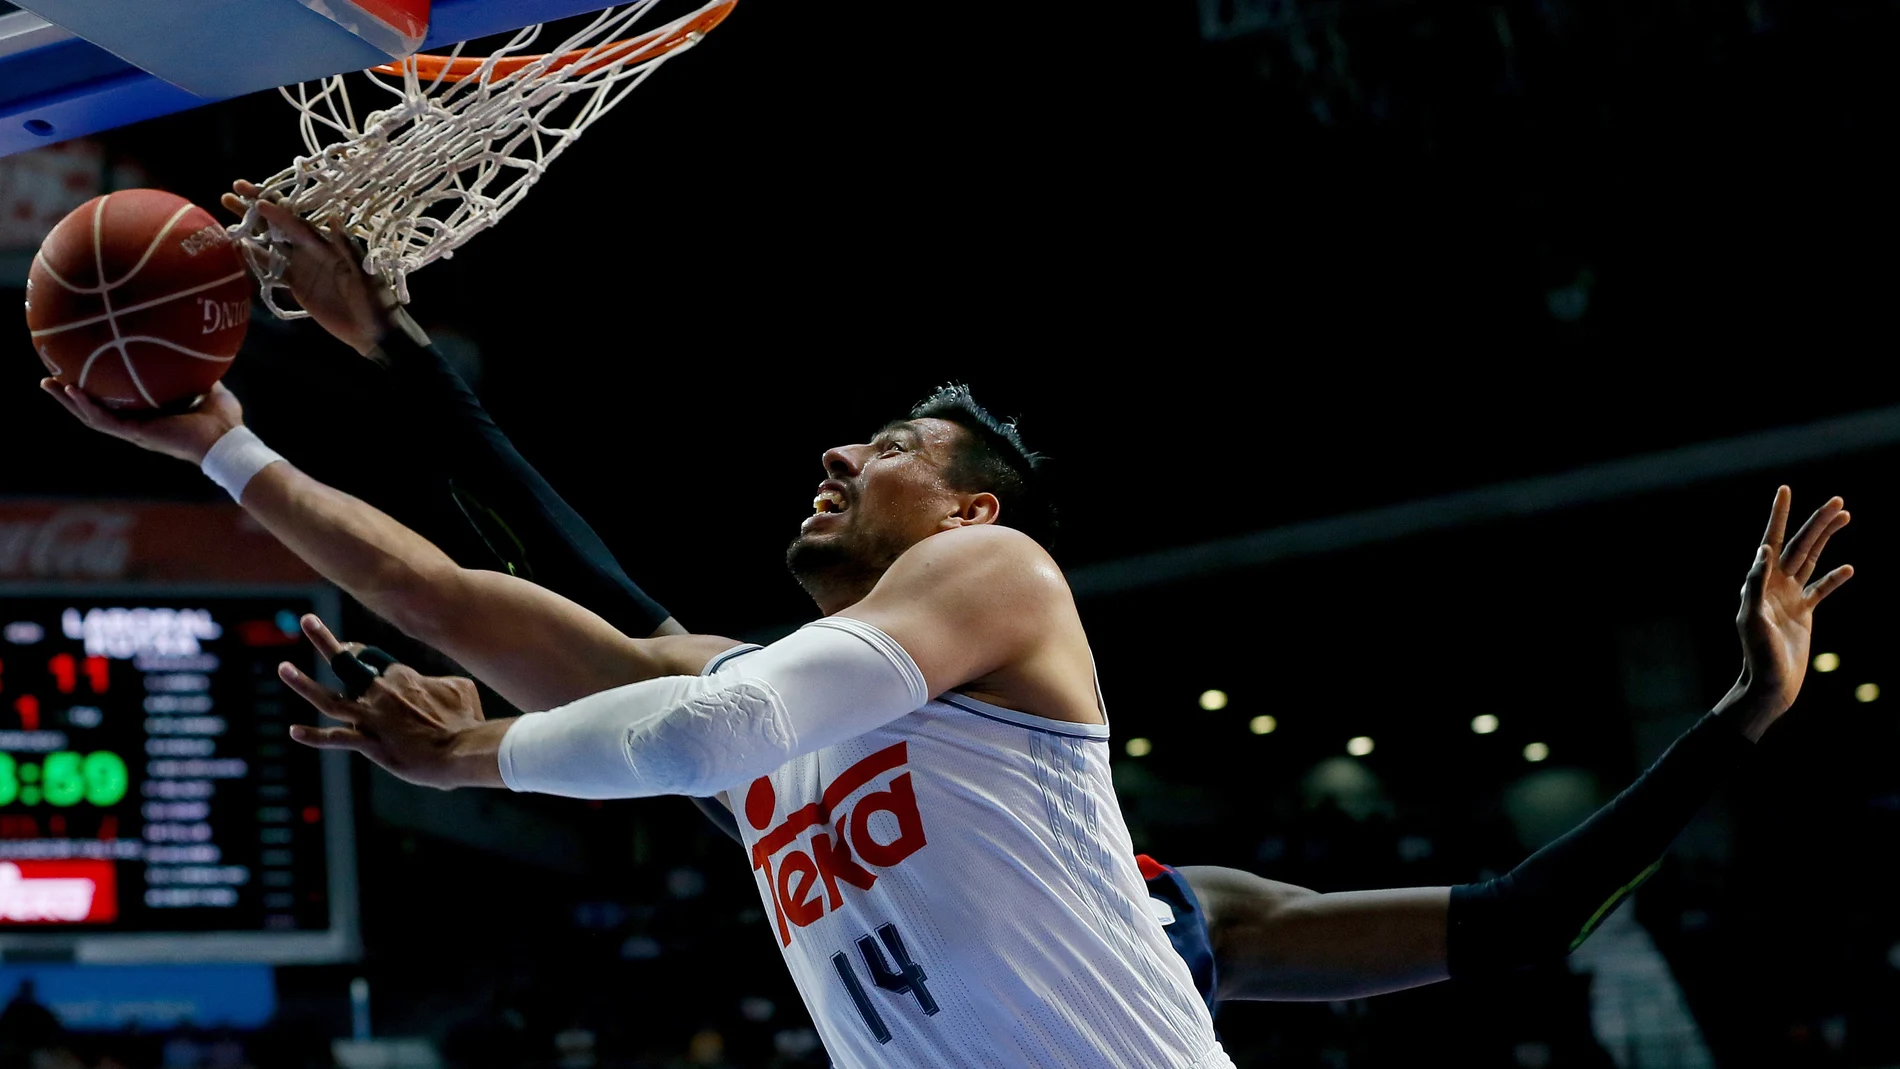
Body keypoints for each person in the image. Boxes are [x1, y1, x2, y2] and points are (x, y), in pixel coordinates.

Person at [39, 200, 1853, 1049]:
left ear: (973, 509)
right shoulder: (774, 718)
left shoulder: (1016, 615)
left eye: (894, 444)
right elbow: (471, 594)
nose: (840, 450)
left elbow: (1517, 922)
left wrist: (1734, 728)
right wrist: (237, 437)